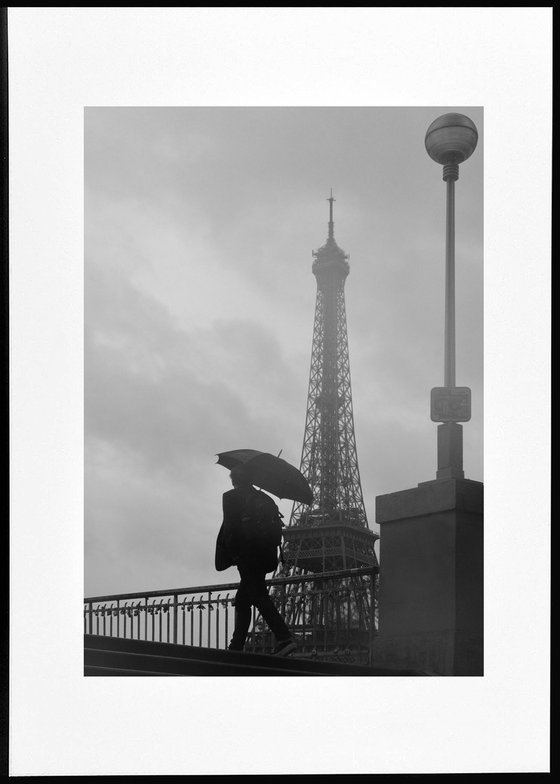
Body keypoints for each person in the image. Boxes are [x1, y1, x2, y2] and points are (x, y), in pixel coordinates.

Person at [215, 465, 296, 656]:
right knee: (243, 600)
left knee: (259, 595)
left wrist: (234, 555)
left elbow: (230, 528)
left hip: (246, 555)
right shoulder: (265, 499)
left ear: (234, 479)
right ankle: (236, 646)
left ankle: (284, 638)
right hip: (265, 555)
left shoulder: (232, 497)